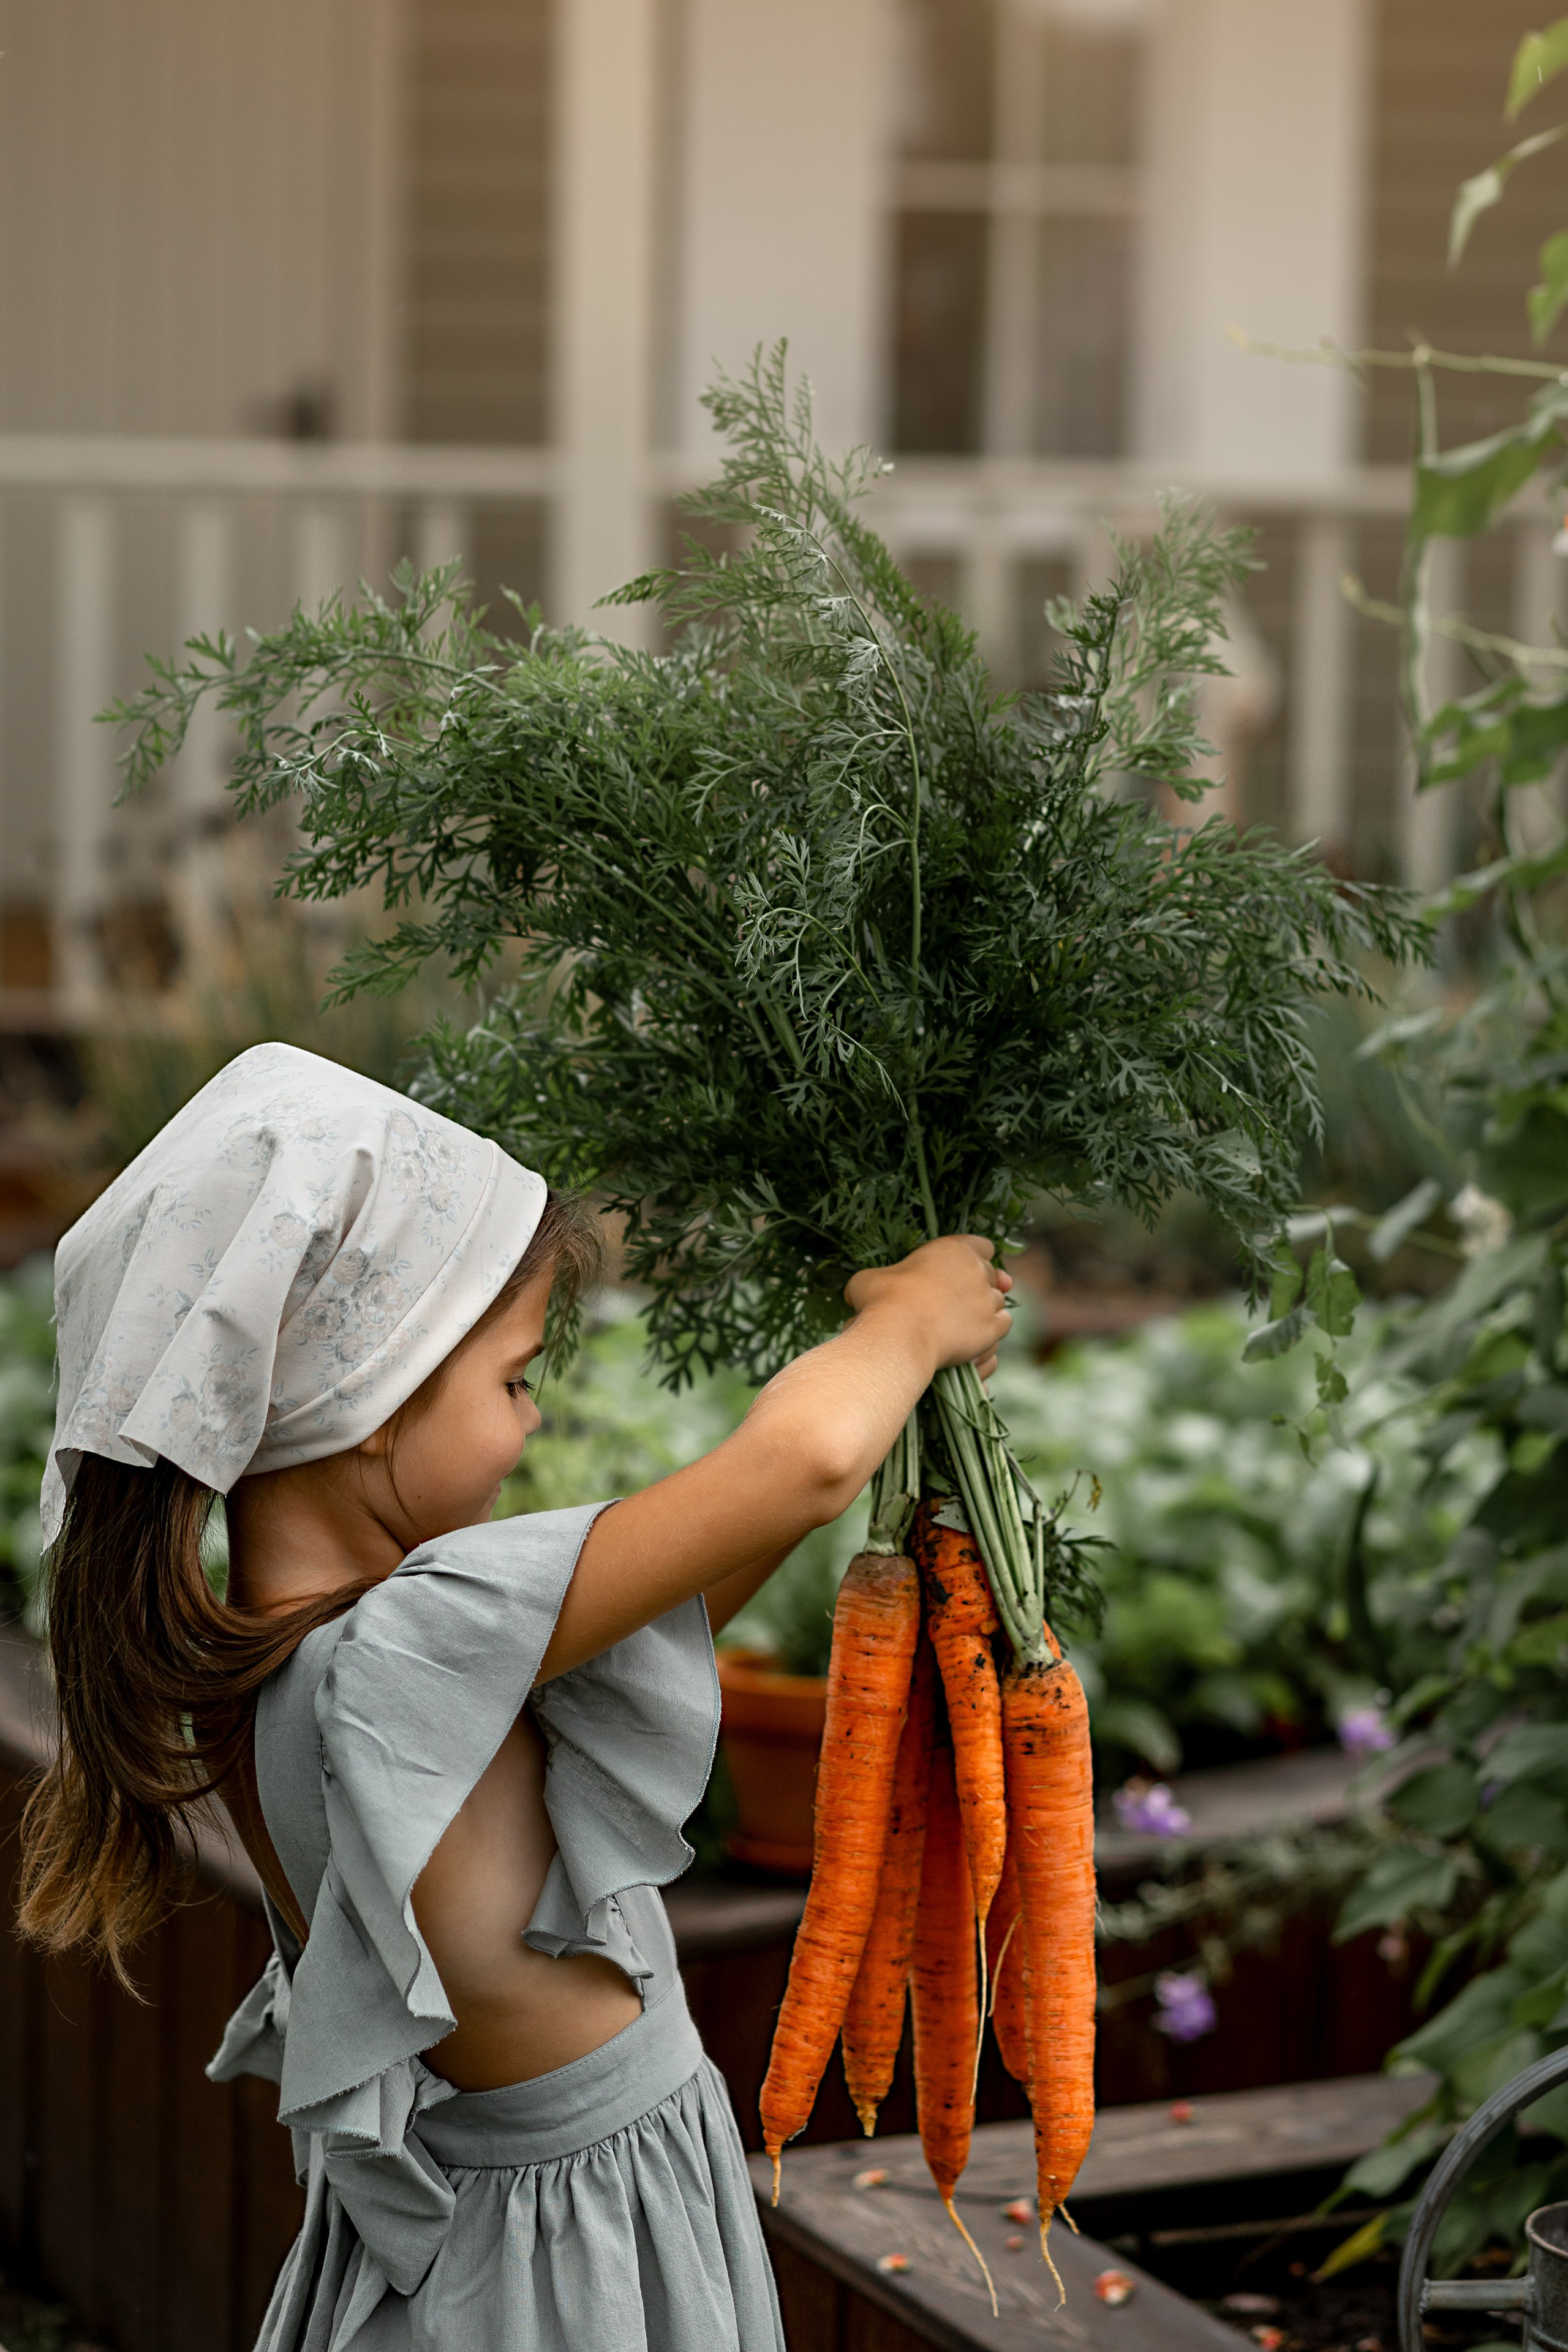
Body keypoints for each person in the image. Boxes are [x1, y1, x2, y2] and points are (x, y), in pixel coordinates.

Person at [20, 1042, 1012, 2352]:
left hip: (498, 2255)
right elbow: (808, 1462)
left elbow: (682, 1592)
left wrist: (875, 1407)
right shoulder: (407, 1643)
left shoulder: (283, 1663)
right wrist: (911, 1319)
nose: (532, 1421)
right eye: (514, 1378)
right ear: (374, 1402)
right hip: (571, 2276)